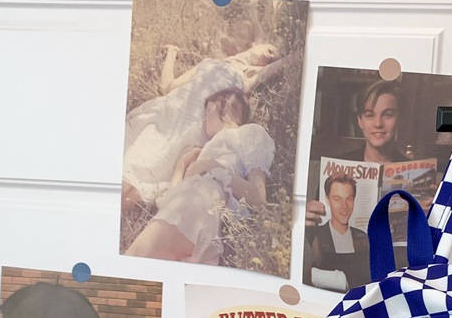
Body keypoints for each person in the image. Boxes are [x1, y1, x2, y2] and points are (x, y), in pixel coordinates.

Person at [122, 41, 285, 214]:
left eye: (271, 59)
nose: (268, 57)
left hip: (192, 127)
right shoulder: (208, 62)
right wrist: (172, 53)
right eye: (269, 50)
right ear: (257, 43)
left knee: (142, 179)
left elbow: (287, 61)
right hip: (170, 112)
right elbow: (167, 86)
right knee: (129, 162)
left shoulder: (246, 76)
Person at [124, 87, 274, 264]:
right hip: (186, 210)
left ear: (226, 106)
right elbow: (170, 199)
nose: (203, 120)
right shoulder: (206, 151)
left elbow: (258, 199)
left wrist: (210, 166)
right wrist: (181, 165)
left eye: (208, 110)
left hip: (202, 205)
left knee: (133, 264)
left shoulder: (249, 132)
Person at [305, 79, 408, 229]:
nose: (378, 124)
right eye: (369, 115)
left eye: (387, 115)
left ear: (400, 120)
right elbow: (317, 240)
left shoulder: (411, 170)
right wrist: (308, 222)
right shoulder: (336, 169)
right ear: (360, 121)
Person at [309, 175, 369, 291]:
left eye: (349, 199)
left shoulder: (363, 237)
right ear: (327, 200)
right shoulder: (316, 235)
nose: (344, 206)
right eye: (337, 199)